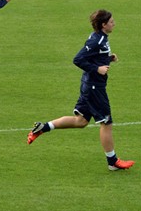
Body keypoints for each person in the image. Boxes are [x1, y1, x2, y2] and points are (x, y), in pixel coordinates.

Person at [27, 10, 135, 172]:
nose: (114, 23)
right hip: (94, 87)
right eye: (111, 21)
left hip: (89, 85)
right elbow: (78, 59)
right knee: (106, 123)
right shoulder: (96, 40)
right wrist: (97, 69)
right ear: (103, 24)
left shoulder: (100, 38)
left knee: (81, 121)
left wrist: (107, 58)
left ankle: (43, 127)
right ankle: (112, 162)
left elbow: (94, 56)